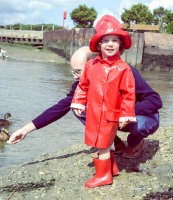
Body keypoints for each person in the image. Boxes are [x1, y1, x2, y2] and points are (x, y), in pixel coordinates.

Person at [8, 22, 162, 171]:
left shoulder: (125, 71)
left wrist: (123, 112)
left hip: (141, 116)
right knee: (78, 107)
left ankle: (135, 142)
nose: (76, 77)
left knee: (140, 125)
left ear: (92, 64)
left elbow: (155, 100)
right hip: (113, 118)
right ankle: (112, 144)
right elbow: (59, 109)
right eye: (73, 71)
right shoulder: (82, 84)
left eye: (78, 71)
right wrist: (25, 129)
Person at [70, 15, 136, 188]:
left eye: (115, 40)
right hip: (93, 112)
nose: (110, 44)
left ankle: (103, 176)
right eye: (106, 40)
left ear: (121, 44)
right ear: (98, 44)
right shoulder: (91, 65)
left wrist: (126, 114)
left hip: (110, 113)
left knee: (103, 144)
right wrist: (78, 102)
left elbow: (129, 93)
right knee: (98, 140)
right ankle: (111, 167)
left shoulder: (123, 68)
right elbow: (82, 86)